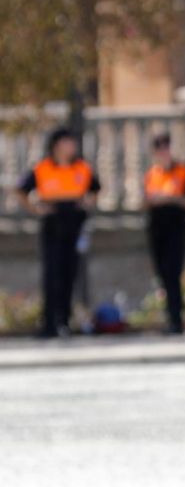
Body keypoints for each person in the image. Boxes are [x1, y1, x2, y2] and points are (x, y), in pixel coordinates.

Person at [17, 129, 99, 339]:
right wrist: (35, 209)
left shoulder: (81, 168)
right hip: (53, 224)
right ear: (56, 145)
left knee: (70, 273)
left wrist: (87, 203)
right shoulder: (43, 168)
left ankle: (64, 321)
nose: (72, 146)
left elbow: (96, 189)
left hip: (74, 224)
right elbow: (21, 190)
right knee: (52, 274)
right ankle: (49, 323)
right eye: (68, 142)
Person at [143, 133, 185, 335]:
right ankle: (170, 318)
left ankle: (177, 320)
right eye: (158, 150)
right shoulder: (152, 173)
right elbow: (145, 201)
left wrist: (170, 198)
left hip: (177, 229)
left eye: (165, 148)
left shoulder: (184, 172)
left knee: (173, 273)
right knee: (162, 275)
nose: (163, 153)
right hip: (157, 229)